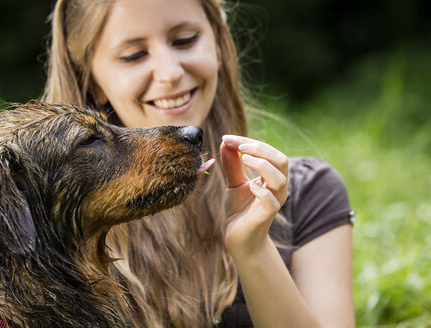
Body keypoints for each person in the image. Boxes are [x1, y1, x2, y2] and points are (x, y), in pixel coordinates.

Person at [42, 0, 355, 327]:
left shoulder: (310, 194)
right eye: (134, 55)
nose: (170, 73)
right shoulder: (53, 225)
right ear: (90, 79)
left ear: (218, 42)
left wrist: (253, 250)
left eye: (185, 40)